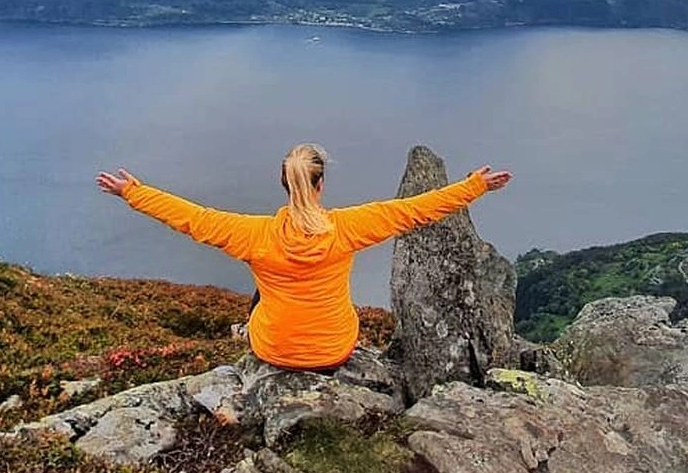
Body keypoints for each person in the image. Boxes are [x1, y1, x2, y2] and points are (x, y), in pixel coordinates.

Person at [96, 145, 512, 372]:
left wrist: (133, 192)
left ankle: (263, 334)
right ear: (321, 183)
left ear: (282, 183)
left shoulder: (253, 235)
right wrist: (475, 185)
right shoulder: (347, 228)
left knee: (262, 297)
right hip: (334, 348)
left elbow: (193, 218)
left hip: (273, 349)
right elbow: (416, 209)